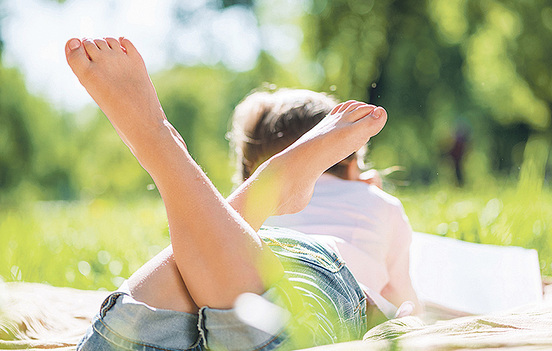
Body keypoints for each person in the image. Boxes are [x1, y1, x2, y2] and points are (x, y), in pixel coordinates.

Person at [64, 36, 388, 350]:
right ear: (356, 174)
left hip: (229, 276)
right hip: (308, 275)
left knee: (120, 338)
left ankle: (176, 156)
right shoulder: (375, 202)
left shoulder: (217, 237)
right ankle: (176, 155)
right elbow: (404, 308)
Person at [230, 89, 421, 317]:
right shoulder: (382, 203)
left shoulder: (249, 207)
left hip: (262, 302)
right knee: (402, 313)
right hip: (349, 298)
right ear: (352, 161)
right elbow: (399, 292)